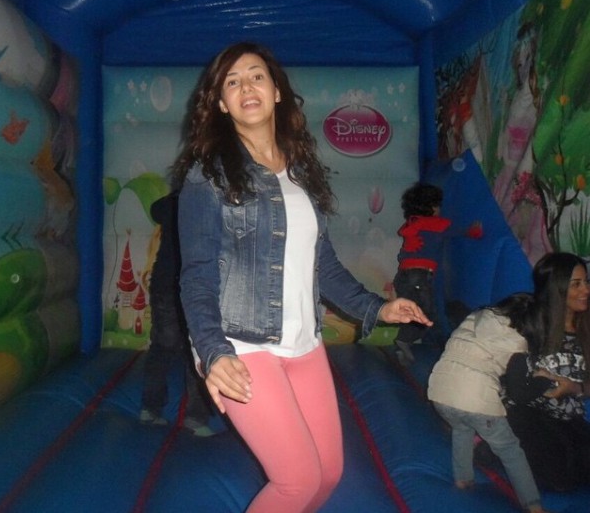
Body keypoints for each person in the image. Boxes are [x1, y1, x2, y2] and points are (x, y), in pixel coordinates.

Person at [171, 41, 432, 513]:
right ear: (221, 103)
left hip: (304, 344)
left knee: (327, 474)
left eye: (256, 76)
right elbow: (197, 275)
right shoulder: (206, 177)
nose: (246, 87)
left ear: (276, 92)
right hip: (243, 344)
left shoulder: (301, 174)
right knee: (297, 480)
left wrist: (377, 308)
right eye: (232, 82)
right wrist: (212, 352)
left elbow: (322, 264)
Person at [428, 293, 549, 513]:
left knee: (462, 429)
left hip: (439, 391)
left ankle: (463, 479)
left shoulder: (476, 317)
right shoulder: (518, 343)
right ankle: (534, 506)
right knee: (510, 450)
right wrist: (544, 381)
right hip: (475, 399)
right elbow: (519, 393)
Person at [504, 252, 590, 491]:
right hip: (526, 411)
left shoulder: (586, 326)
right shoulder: (529, 322)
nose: (586, 290)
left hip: (566, 415)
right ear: (556, 289)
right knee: (557, 477)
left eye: (586, 281)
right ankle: (491, 447)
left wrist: (574, 387)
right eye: (576, 284)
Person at [140, 191, 215, 436]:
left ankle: (151, 408)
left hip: (171, 284)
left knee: (165, 347)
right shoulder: (207, 200)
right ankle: (194, 417)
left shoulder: (174, 201)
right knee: (197, 349)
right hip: (190, 286)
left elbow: (156, 209)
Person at [392, 182, 482, 364]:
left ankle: (405, 344)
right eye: (438, 205)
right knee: (428, 314)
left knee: (412, 311)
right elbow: (462, 231)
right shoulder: (436, 224)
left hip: (402, 276)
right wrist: (475, 230)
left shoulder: (412, 223)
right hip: (419, 276)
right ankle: (408, 339)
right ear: (433, 208)